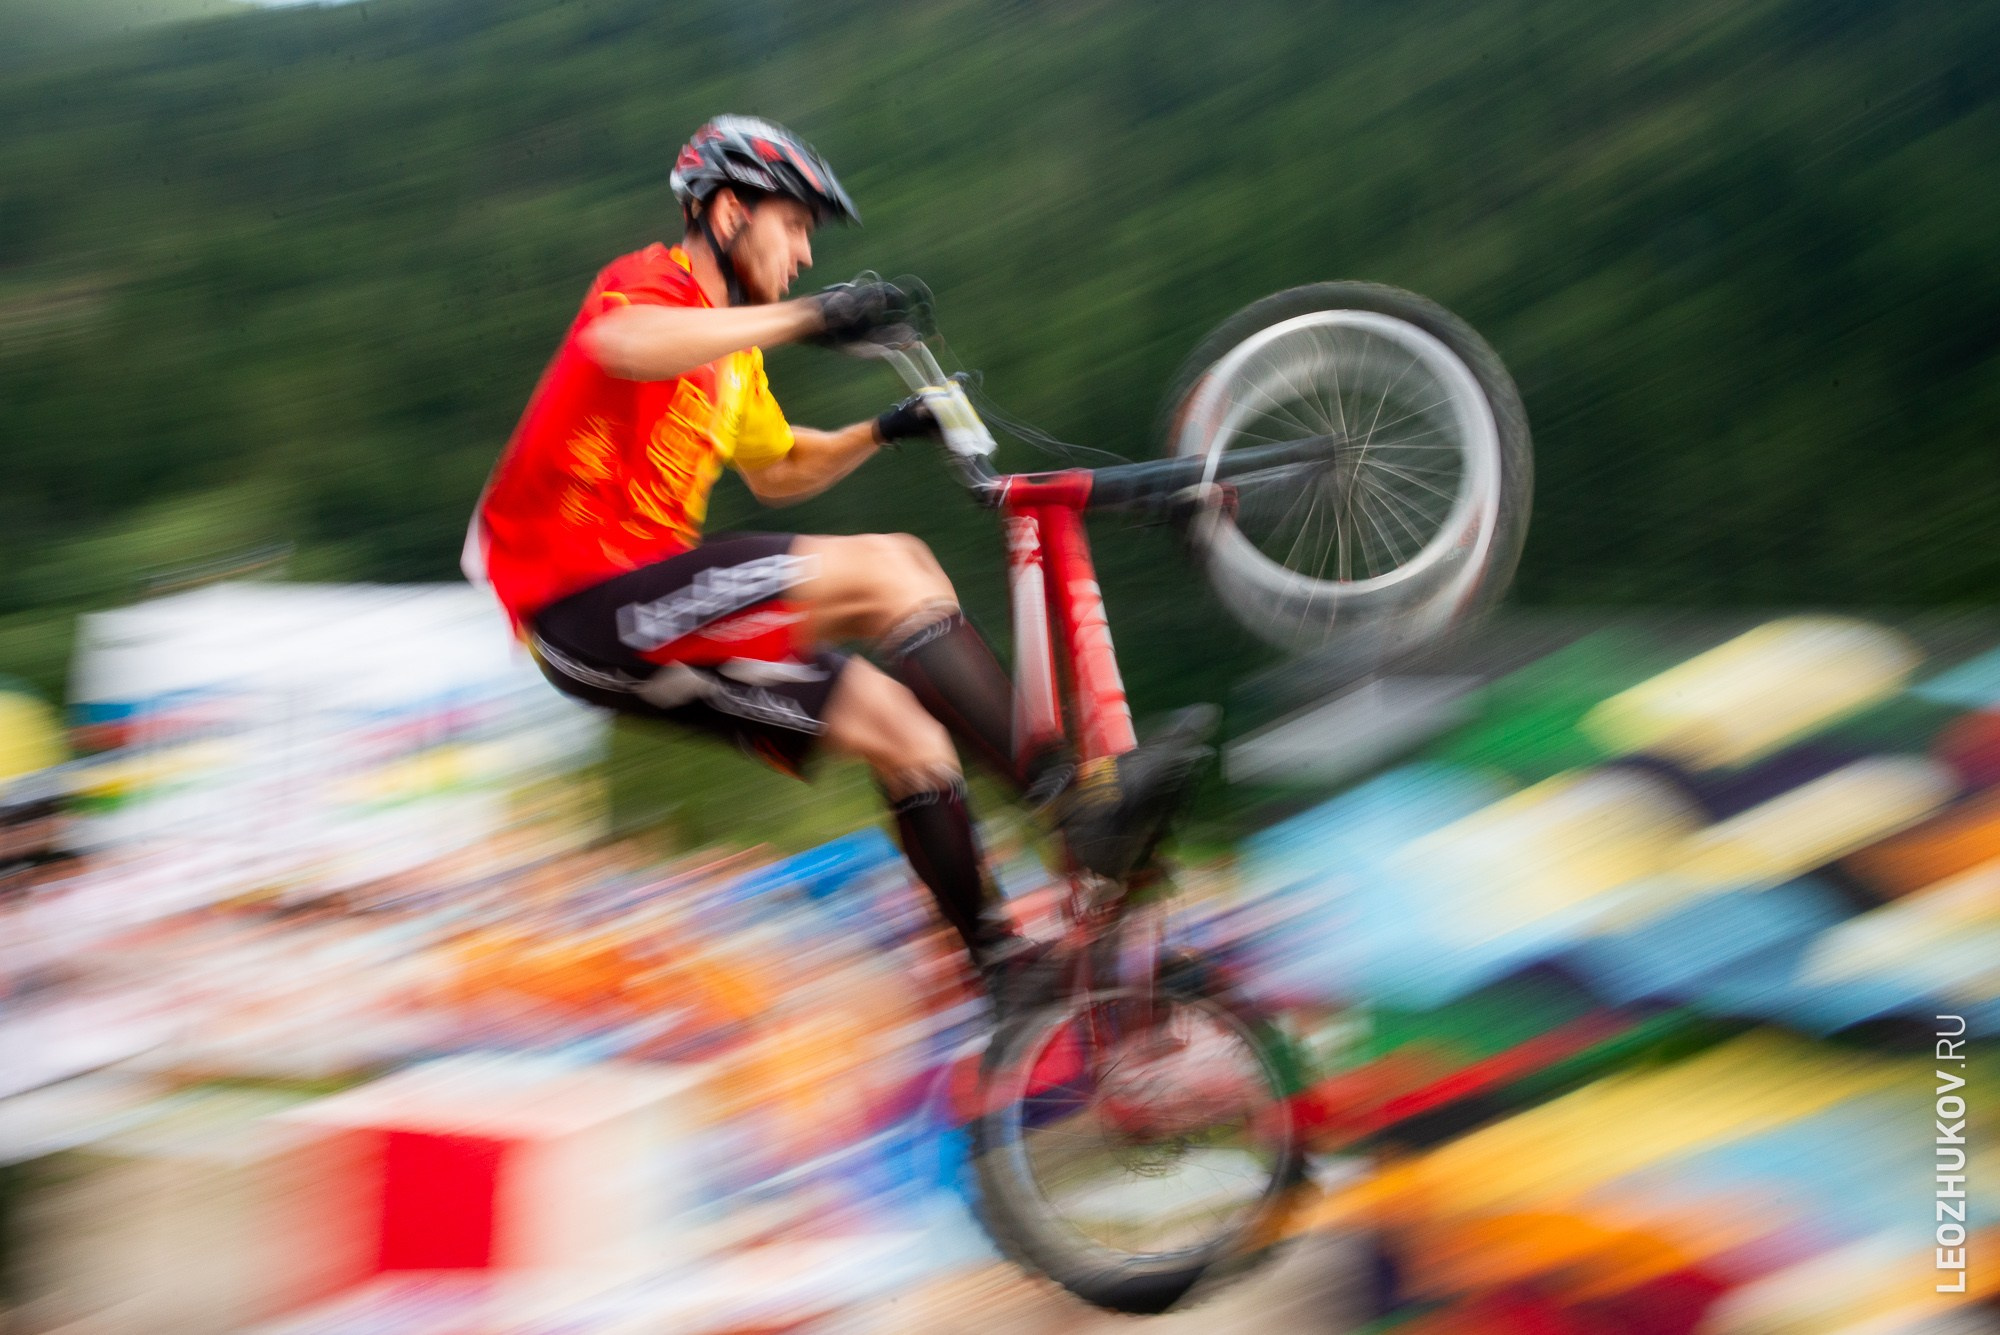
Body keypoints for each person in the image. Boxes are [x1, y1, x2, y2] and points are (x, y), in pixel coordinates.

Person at [464, 116, 1202, 997]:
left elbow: (779, 468)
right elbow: (621, 347)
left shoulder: (730, 361)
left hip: (652, 626)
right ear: (731, 211)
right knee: (895, 565)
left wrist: (886, 429)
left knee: (910, 736)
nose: (807, 254)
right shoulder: (649, 287)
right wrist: (812, 319)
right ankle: (1075, 811)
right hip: (587, 603)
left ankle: (1002, 971)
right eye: (797, 225)